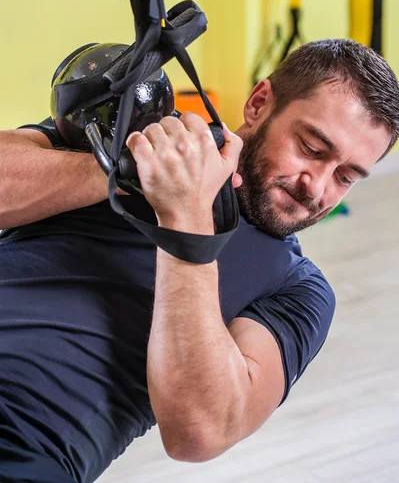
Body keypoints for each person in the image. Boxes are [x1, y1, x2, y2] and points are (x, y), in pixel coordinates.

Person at [0, 38, 397, 483]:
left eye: (346, 177)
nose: (317, 187)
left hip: (23, 445)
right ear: (260, 103)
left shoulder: (299, 292)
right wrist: (127, 169)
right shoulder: (144, 137)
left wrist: (185, 215)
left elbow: (201, 431)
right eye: (311, 148)